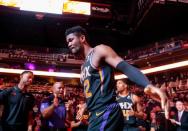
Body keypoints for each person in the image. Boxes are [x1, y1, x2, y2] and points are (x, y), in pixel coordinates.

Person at [65, 25, 169, 130]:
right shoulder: (83, 67)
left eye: (71, 40)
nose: (69, 44)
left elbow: (125, 66)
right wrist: (85, 106)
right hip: (95, 114)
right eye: (67, 42)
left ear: (82, 38)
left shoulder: (99, 50)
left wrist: (147, 84)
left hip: (107, 110)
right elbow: (94, 93)